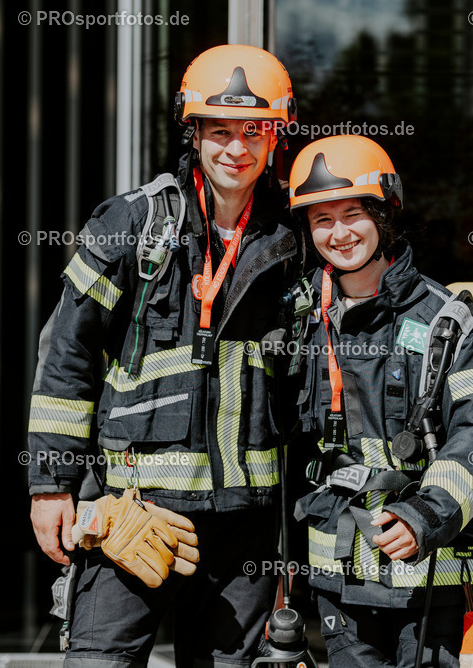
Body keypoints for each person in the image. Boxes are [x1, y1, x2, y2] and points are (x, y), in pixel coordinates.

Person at [27, 44, 302, 668]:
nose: (237, 148)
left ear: (276, 136)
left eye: (255, 131)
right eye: (220, 130)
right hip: (135, 512)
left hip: (244, 526)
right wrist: (51, 485)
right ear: (193, 132)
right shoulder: (131, 224)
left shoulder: (296, 239)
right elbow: (66, 354)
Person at [289, 135, 473, 667]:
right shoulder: (298, 318)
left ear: (385, 215)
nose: (338, 234)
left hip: (436, 578)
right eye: (322, 219)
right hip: (341, 578)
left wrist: (423, 515)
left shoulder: (447, 319)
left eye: (352, 214)